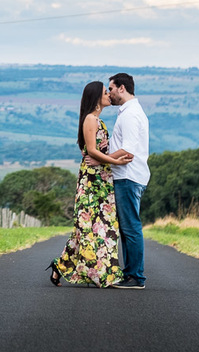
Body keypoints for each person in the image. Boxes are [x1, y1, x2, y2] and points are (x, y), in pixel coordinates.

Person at [49, 80, 132, 287]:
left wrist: (110, 161)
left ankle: (62, 266)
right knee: (89, 228)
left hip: (103, 178)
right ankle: (100, 276)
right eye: (106, 92)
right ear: (97, 98)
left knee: (104, 227)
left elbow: (99, 153)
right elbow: (92, 151)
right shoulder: (90, 120)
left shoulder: (98, 119)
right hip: (92, 180)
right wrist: (115, 161)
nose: (109, 95)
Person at [107, 72, 150, 290]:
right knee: (127, 227)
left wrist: (100, 160)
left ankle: (135, 277)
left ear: (122, 88)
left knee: (131, 226)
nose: (109, 94)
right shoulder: (128, 112)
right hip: (127, 176)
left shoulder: (131, 114)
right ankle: (130, 274)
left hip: (128, 176)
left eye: (111, 89)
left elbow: (128, 151)